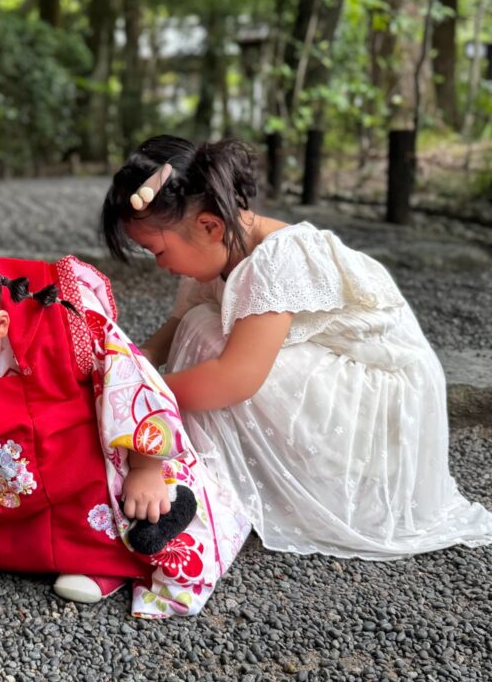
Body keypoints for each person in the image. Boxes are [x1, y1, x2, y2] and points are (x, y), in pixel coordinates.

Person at [100, 134, 492, 560]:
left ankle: (203, 481)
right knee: (196, 325)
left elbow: (235, 379)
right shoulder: (218, 246)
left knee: (208, 339)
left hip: (382, 394)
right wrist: (124, 364)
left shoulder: (278, 259)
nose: (160, 264)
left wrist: (135, 401)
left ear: (209, 225)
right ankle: (184, 464)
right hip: (325, 375)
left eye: (157, 251)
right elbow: (171, 330)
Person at [0, 243, 249, 618]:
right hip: (3, 483)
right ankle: (1, 543)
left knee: (119, 510)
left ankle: (104, 564)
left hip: (79, 463)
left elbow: (134, 386)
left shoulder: (65, 320)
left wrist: (146, 469)